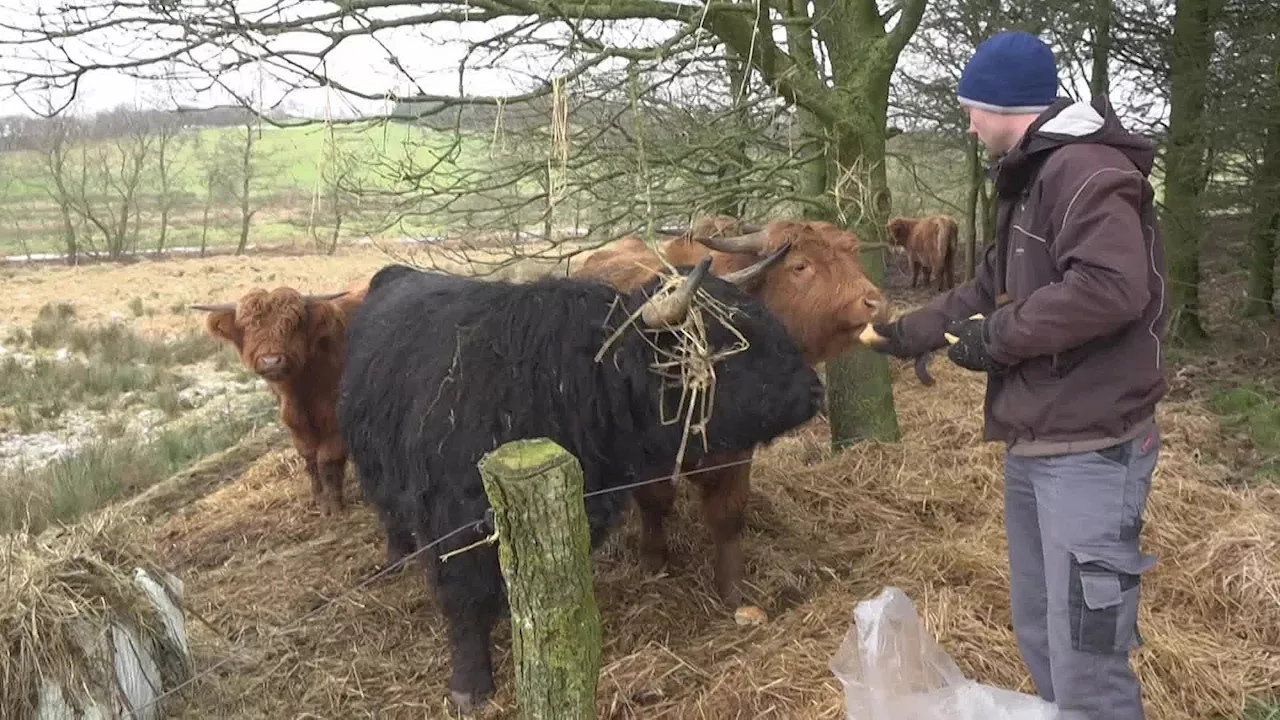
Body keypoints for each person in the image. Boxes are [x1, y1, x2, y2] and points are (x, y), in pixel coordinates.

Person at [865, 31, 1168, 720]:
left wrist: (997, 338)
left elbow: (1112, 288)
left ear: (1009, 105)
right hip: (1037, 442)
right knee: (1041, 630)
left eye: (973, 109)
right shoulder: (1031, 179)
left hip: (1092, 450)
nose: (968, 124)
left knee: (1087, 658)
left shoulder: (1083, 172)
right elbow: (985, 288)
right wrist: (905, 331)